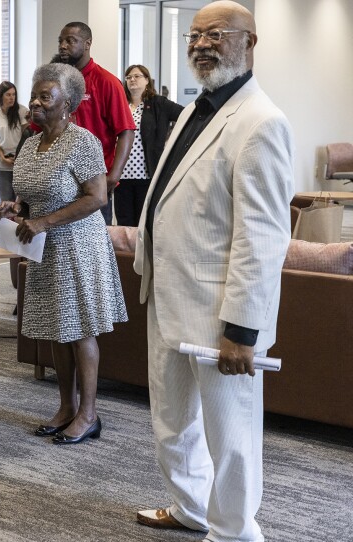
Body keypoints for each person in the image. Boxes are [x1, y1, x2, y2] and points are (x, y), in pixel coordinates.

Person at [133, 2, 293, 540]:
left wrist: (242, 330)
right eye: (194, 34)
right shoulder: (191, 110)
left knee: (232, 438)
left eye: (217, 34)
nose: (200, 44)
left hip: (219, 317)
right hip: (168, 297)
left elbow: (263, 237)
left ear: (250, 43)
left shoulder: (261, 121)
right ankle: (191, 509)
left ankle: (235, 532)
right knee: (172, 424)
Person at [0, 63, 127, 445]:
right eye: (33, 95)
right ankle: (66, 407)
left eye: (44, 97)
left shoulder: (82, 141)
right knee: (55, 327)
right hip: (41, 246)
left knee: (79, 329)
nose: (34, 102)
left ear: (67, 103)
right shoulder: (32, 142)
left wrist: (45, 222)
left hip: (76, 246)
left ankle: (89, 414)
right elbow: (32, 194)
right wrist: (14, 209)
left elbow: (97, 198)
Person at [54, 22, 135, 225]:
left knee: (94, 246)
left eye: (70, 41)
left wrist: (112, 177)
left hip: (94, 183)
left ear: (87, 44)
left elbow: (126, 130)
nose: (63, 46)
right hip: (58, 179)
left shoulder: (106, 81)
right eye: (60, 41)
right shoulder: (56, 82)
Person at [115, 64, 183, 226]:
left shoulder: (158, 104)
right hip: (121, 174)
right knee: (124, 222)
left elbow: (186, 115)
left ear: (147, 80)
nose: (132, 80)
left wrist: (172, 142)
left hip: (146, 174)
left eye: (137, 76)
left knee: (144, 221)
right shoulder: (121, 104)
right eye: (129, 77)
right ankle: (125, 253)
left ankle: (143, 252)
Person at [0, 81, 28, 203]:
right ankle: (4, 222)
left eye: (14, 94)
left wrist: (21, 156)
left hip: (20, 161)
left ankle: (20, 223)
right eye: (8, 95)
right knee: (5, 200)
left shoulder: (22, 110)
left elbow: (27, 137)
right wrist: (2, 157)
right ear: (1, 96)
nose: (12, 98)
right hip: (2, 162)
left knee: (20, 201)